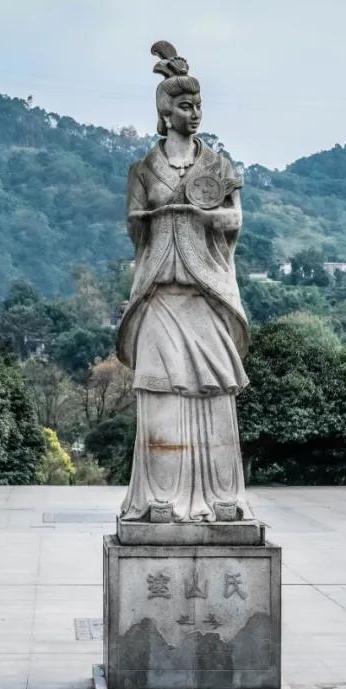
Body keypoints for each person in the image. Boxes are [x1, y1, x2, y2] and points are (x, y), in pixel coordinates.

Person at [117, 41, 253, 523]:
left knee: (216, 396)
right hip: (159, 295)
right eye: (184, 105)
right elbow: (134, 226)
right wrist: (154, 214)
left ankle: (222, 498)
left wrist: (205, 214)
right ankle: (160, 498)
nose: (193, 114)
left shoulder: (218, 166)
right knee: (157, 397)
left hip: (205, 295)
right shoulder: (143, 169)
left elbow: (235, 219)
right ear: (165, 109)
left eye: (198, 106)